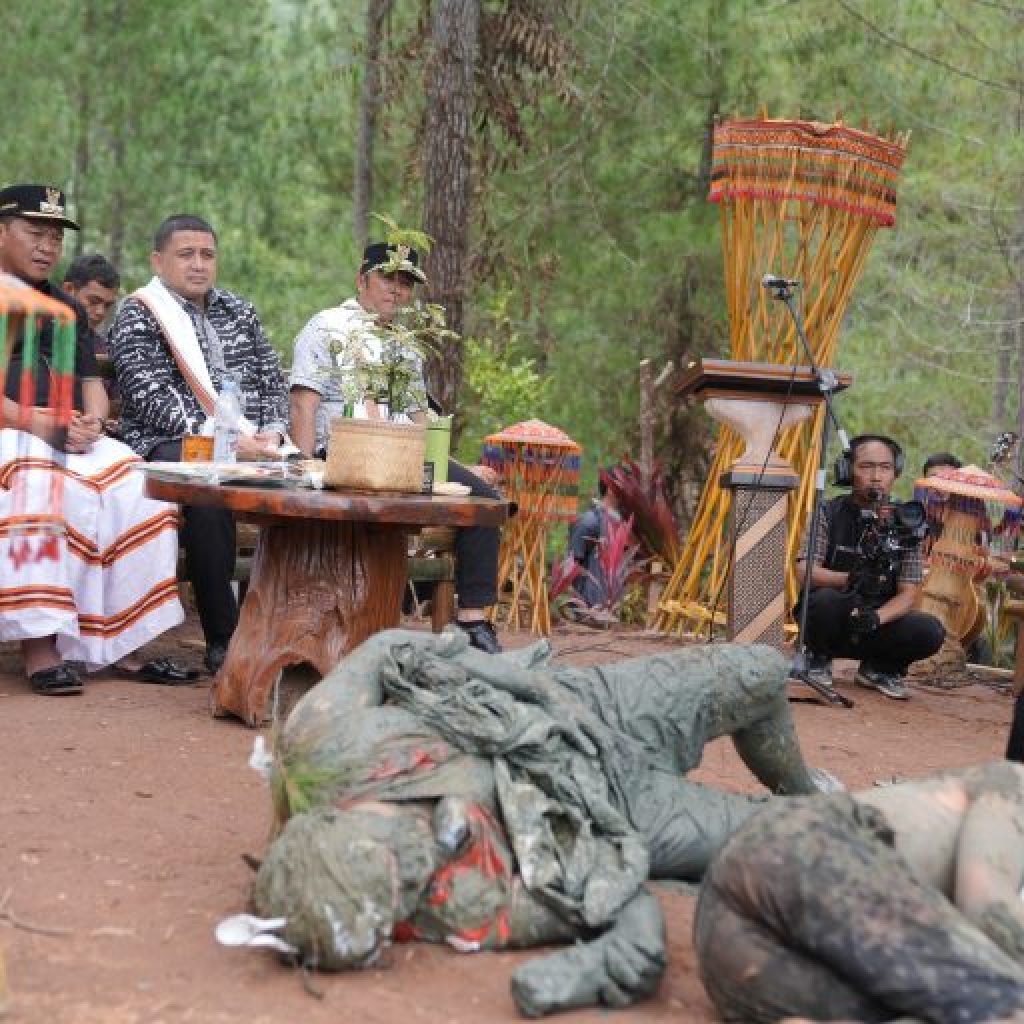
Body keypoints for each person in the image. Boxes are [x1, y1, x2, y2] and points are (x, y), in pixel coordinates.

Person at [249, 629, 838, 1016]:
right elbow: (614, 900)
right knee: (801, 836)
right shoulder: (460, 899)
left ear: (333, 825)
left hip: (578, 705)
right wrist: (603, 964)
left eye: (393, 858)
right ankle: (817, 808)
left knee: (759, 671)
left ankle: (803, 787)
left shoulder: (321, 745)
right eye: (406, 895)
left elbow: (386, 649)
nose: (423, 867)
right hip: (612, 810)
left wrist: (532, 685)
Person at [0, 184, 185, 695]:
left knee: (138, 480)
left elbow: (90, 388)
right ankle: (40, 647)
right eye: (35, 232)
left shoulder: (66, 307)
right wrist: (36, 423)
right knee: (37, 476)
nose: (47, 246)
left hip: (62, 431)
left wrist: (94, 423)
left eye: (55, 237)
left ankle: (122, 642)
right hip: (11, 433)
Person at [288, 242, 503, 654]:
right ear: (362, 280)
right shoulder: (328, 326)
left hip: (404, 456)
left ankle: (473, 623)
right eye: (388, 277)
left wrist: (451, 468)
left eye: (406, 283)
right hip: (346, 452)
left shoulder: (406, 344)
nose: (396, 290)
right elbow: (304, 400)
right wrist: (302, 463)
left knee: (484, 501)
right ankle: (327, 627)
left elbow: (420, 417)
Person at [694, 761, 1024, 1024]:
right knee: (1005, 1003)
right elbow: (989, 911)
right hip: (801, 851)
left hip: (741, 960)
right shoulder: (1013, 782)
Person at [110, 214, 289, 673]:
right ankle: (223, 641)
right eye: (186, 254)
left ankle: (292, 631)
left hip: (253, 445)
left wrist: (272, 432)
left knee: (308, 486)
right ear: (158, 260)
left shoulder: (239, 311)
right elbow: (151, 401)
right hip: (166, 443)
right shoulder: (140, 312)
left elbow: (271, 382)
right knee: (209, 486)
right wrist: (228, 444)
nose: (198, 265)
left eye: (207, 255)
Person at [796, 434, 945, 700]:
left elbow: (909, 592)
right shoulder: (827, 512)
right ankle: (818, 658)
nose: (876, 476)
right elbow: (805, 571)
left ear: (895, 474)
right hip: (835, 618)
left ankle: (880, 669)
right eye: (866, 467)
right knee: (823, 602)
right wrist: (849, 579)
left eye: (885, 468)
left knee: (930, 631)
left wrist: (877, 618)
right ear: (847, 471)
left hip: (876, 624)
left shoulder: (909, 520)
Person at [62, 252, 121, 404]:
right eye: (93, 301)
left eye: (107, 305)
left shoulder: (106, 348)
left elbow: (115, 403)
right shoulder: (32, 333)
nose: (101, 312)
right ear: (69, 290)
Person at [567, 472, 622, 607]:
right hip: (591, 610)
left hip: (613, 610)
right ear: (610, 488)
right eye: (623, 482)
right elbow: (573, 564)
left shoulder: (622, 522)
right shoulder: (590, 521)